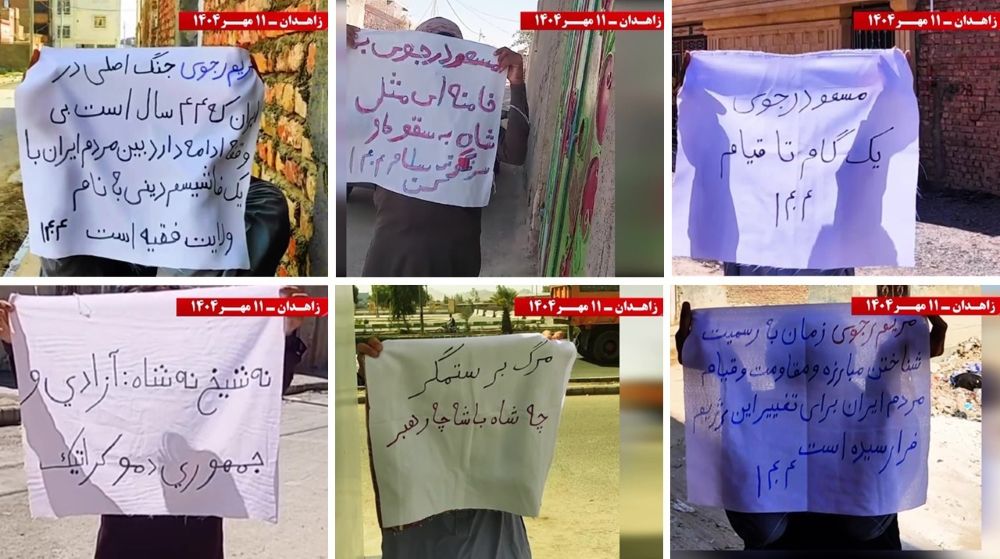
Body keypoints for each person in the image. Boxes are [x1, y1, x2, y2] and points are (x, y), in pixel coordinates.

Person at [0, 286, 309, 559]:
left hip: (194, 546)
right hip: (124, 546)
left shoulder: (203, 384)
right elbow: (52, 395)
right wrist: (15, 342)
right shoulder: (110, 396)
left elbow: (256, 394)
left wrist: (286, 333)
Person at [675, 301, 948, 550]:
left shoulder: (748, 415)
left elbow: (758, 526)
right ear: (848, 356)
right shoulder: (879, 410)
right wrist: (903, 359)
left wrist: (708, 355)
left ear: (771, 360)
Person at [19, 49, 290, 278]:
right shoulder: (77, 189)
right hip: (110, 290)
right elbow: (66, 263)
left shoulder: (254, 200)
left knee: (265, 203)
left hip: (179, 282)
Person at [673, 50, 913, 277]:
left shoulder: (833, 230)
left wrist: (894, 104)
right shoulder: (742, 216)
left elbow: (865, 161)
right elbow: (709, 163)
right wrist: (692, 106)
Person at [356, 330, 565, 558]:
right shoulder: (411, 430)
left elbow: (533, 421)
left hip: (492, 532)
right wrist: (379, 373)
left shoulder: (499, 419)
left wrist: (548, 359)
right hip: (420, 538)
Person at [347, 17, 530, 277]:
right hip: (392, 253)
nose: (437, 68)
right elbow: (342, 129)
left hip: (454, 255)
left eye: (448, 54)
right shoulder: (387, 108)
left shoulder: (474, 115)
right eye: (428, 53)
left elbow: (516, 153)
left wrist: (518, 84)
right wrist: (340, 58)